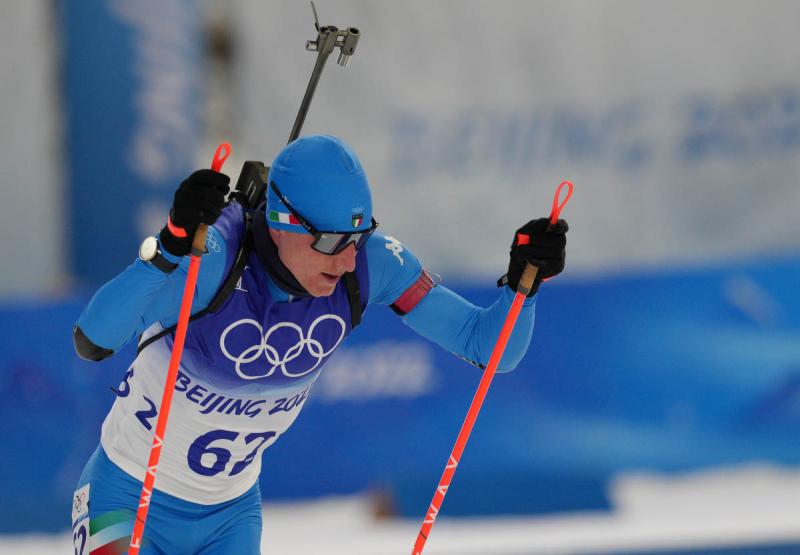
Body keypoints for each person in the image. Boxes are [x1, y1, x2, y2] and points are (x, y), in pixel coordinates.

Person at [70, 134, 568, 554]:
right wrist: (173, 244)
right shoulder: (217, 260)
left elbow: (489, 348)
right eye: (330, 242)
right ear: (284, 221)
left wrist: (524, 284)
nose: (347, 261)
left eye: (358, 239)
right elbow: (93, 340)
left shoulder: (374, 265)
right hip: (128, 495)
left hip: (228, 517)